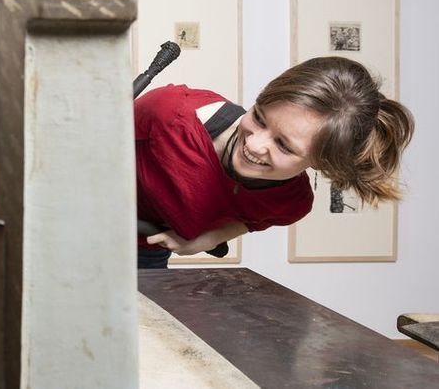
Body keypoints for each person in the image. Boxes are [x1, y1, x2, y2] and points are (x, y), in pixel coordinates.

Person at [136, 56, 413, 269]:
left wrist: (210, 238)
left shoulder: (290, 203)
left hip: (143, 254)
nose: (254, 144)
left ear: (320, 163)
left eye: (283, 145)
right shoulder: (168, 113)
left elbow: (253, 220)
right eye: (258, 117)